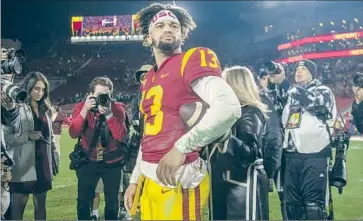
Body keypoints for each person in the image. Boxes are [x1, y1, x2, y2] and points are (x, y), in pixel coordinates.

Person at [123, 3, 241, 220]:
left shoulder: (191, 59)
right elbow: (148, 134)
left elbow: (229, 107)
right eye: (160, 25)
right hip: (148, 178)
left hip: (180, 178)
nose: (168, 28)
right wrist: (134, 180)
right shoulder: (149, 77)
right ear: (148, 37)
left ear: (182, 33)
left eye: (174, 25)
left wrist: (182, 147)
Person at [269, 60, 337, 220]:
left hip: (315, 156)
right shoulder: (290, 97)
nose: (298, 71)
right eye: (297, 69)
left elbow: (316, 103)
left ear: (312, 73)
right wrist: (272, 84)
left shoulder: (323, 91)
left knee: (314, 207)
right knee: (291, 206)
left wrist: (284, 84)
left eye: (304, 69)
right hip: (290, 158)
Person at [210, 66, 269, 220]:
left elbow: (250, 152)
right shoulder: (227, 111)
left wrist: (224, 137)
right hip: (223, 183)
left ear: (235, 85)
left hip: (241, 185)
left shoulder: (250, 112)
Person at [69, 76, 128, 220]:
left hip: (112, 161)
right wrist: (84, 110)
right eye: (98, 95)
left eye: (106, 96)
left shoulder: (117, 108)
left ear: (110, 95)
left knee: (112, 201)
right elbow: (73, 133)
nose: (102, 98)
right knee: (83, 201)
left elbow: (121, 136)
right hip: (88, 160)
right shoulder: (81, 107)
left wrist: (109, 115)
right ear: (90, 94)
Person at [3, 72, 59, 220]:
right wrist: (27, 136)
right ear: (28, 88)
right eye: (36, 89)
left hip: (43, 165)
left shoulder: (45, 109)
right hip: (23, 165)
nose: (40, 93)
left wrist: (54, 154)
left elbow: (50, 135)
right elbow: (6, 137)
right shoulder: (14, 107)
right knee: (19, 205)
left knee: (41, 204)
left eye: (43, 89)